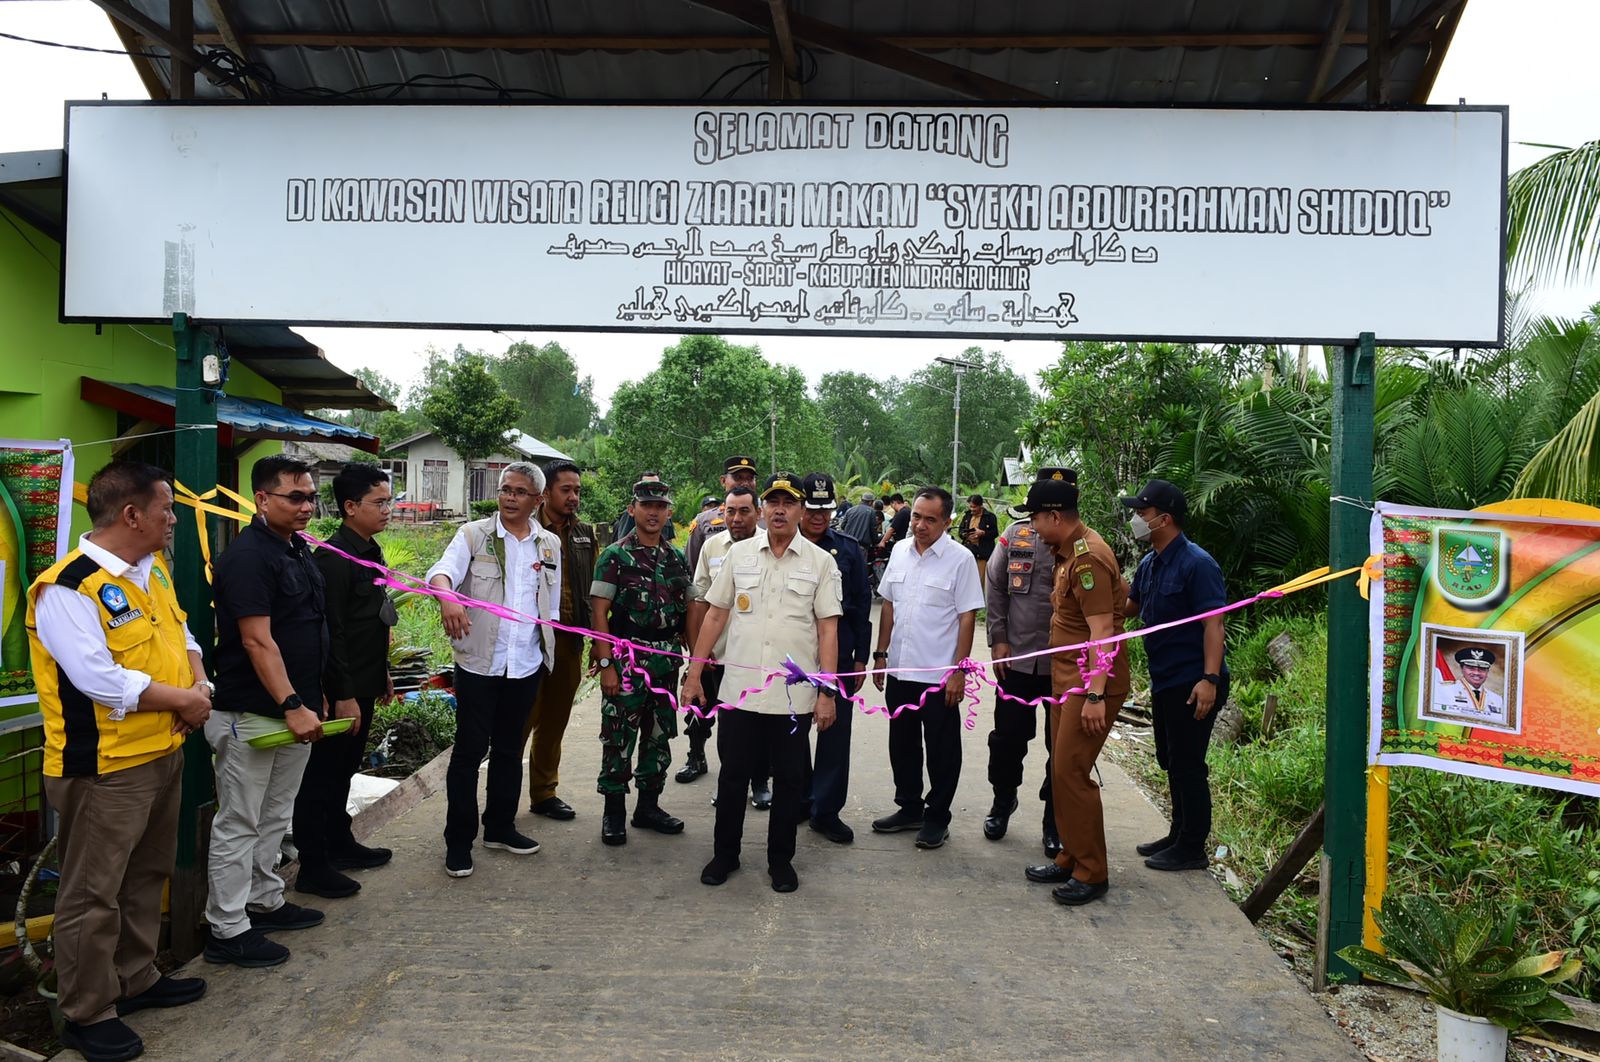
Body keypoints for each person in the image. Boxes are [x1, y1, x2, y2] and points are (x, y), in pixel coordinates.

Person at [25, 461, 212, 1061]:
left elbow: (181, 636)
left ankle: (137, 979)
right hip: (104, 768)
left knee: (145, 876)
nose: (172, 520)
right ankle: (86, 1010)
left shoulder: (149, 570)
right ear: (131, 514)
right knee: (90, 893)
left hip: (163, 750)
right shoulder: (66, 586)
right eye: (166, 509)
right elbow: (99, 680)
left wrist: (199, 686)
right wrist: (185, 699)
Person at [683, 472, 842, 892]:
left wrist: (827, 692)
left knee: (790, 779)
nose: (779, 510)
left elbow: (828, 630)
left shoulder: (821, 563)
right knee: (732, 774)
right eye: (772, 502)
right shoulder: (738, 556)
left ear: (802, 510)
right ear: (762, 509)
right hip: (738, 689)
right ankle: (725, 854)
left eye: (788, 503)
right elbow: (715, 614)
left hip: (793, 698)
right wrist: (694, 672)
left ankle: (780, 860)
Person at [205, 455, 330, 967]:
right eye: (294, 497)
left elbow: (306, 628)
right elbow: (257, 643)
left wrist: (311, 695)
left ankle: (263, 898)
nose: (306, 507)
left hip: (293, 709)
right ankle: (227, 928)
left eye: (310, 497)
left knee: (275, 815)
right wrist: (292, 703)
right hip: (254, 713)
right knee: (239, 821)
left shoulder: (296, 550)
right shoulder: (249, 557)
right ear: (261, 499)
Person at [427, 462, 559, 878]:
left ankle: (500, 827)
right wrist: (448, 597)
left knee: (508, 751)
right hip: (479, 663)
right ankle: (458, 842)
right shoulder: (473, 535)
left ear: (537, 500)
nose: (509, 497)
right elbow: (441, 573)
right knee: (468, 753)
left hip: (525, 664)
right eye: (505, 489)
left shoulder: (548, 544)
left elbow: (550, 605)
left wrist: (546, 652)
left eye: (520, 492)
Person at [1018, 474, 1130, 907]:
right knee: (1060, 773)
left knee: (1071, 773)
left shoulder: (1088, 560)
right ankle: (1070, 855)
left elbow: (1104, 630)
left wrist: (1097, 694)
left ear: (1054, 516)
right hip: (1068, 682)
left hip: (1088, 684)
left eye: (1034, 519)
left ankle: (1091, 871)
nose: (1031, 527)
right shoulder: (1067, 551)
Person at [294, 464, 397, 901]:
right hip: (342, 690)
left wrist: (382, 673)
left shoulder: (368, 550)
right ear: (350, 507)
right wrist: (344, 694)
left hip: (364, 680)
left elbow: (370, 619)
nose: (388, 509)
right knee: (323, 775)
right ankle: (313, 865)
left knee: (345, 771)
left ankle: (340, 843)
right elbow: (331, 631)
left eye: (389, 501)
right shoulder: (333, 559)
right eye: (380, 502)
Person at [1121, 479, 1231, 873]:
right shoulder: (1151, 561)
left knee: (1188, 763)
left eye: (1141, 513)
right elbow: (1130, 607)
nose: (1136, 519)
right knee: (1171, 760)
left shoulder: (1196, 564)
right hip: (1165, 679)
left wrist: (1210, 680)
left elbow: (1213, 625)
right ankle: (1177, 832)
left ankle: (1192, 847)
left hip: (1193, 680)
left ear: (1163, 519)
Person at [869, 487, 984, 850]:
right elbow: (888, 605)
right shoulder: (900, 551)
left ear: (947, 521)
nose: (920, 525)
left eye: (930, 519)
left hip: (937, 676)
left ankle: (937, 817)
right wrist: (881, 654)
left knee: (941, 748)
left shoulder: (960, 559)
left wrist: (958, 671)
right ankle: (909, 808)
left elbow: (967, 618)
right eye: (916, 516)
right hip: (900, 670)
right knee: (901, 744)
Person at [590, 476, 691, 846]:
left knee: (658, 738)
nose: (653, 512)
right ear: (632, 509)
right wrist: (606, 666)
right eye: (646, 505)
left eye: (660, 506)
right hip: (627, 661)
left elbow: (689, 613)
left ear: (668, 512)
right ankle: (613, 813)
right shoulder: (614, 556)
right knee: (618, 738)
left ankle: (648, 808)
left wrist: (694, 665)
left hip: (665, 663)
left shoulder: (676, 557)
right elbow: (598, 615)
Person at [981, 469, 1069, 857]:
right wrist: (998, 639)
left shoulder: (1081, 544)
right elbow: (996, 588)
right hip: (1015, 661)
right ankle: (1003, 802)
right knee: (1007, 740)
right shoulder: (1015, 535)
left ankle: (1055, 820)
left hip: (1063, 669)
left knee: (1061, 747)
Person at [677, 485, 769, 811]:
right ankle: (730, 782)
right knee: (727, 728)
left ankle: (760, 782)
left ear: (758, 513)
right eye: (730, 511)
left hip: (757, 658)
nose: (736, 518)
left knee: (759, 724)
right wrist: (698, 655)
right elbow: (701, 600)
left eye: (744, 511)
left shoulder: (770, 547)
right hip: (720, 657)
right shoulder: (712, 547)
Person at [796, 472, 872, 844]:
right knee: (790, 734)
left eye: (825, 509)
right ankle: (797, 799)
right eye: (811, 508)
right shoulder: (782, 546)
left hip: (838, 656)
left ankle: (825, 811)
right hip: (791, 658)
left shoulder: (848, 548)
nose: (818, 516)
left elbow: (860, 605)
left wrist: (860, 657)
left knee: (834, 734)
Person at [521, 459, 595, 823]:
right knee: (522, 716)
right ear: (545, 492)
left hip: (569, 640)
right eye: (566, 490)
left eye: (577, 491)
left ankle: (544, 793)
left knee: (555, 719)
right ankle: (500, 796)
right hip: (531, 639)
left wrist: (598, 641)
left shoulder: (584, 535)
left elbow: (595, 591)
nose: (573, 497)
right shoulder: (527, 532)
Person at [685, 455, 759, 571]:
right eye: (738, 478)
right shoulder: (703, 521)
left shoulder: (767, 519)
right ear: (723, 481)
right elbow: (691, 567)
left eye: (750, 478)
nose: (745, 483)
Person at [1434, 646, 1505, 716]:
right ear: (1462, 668)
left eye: (1482, 668)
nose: (1476, 673)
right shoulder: (1444, 690)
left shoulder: (1497, 699)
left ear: (1487, 671)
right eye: (1471, 668)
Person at [959, 494, 1000, 586]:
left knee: (980, 581)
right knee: (966, 580)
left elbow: (995, 533)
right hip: (968, 551)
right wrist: (964, 534)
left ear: (980, 505)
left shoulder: (990, 517)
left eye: (974, 507)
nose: (972, 509)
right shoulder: (967, 516)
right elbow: (960, 530)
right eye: (970, 506)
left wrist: (983, 533)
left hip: (982, 553)